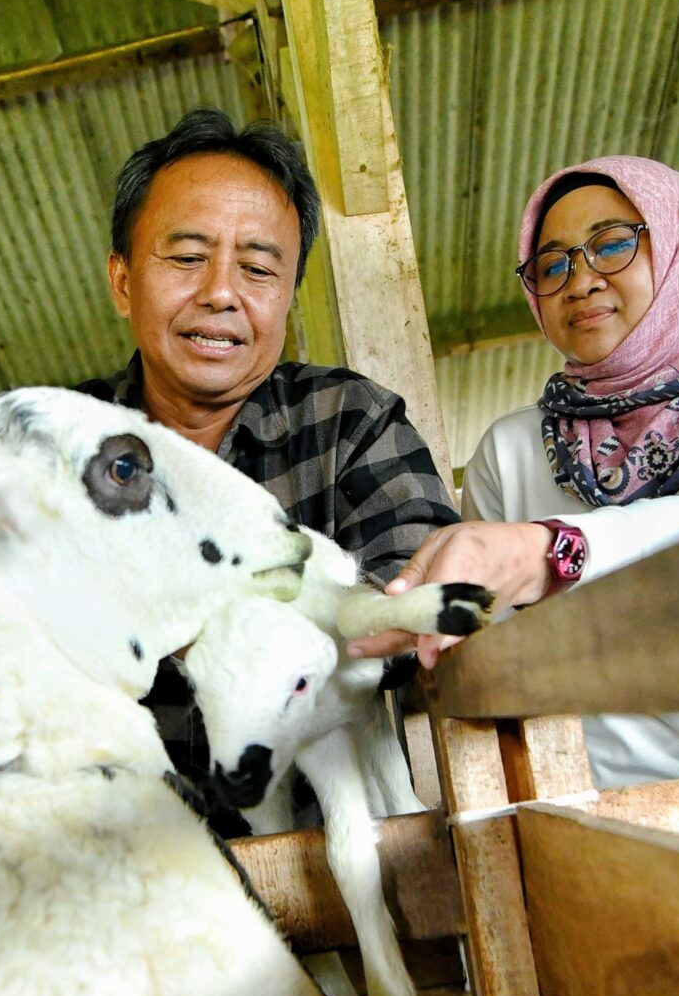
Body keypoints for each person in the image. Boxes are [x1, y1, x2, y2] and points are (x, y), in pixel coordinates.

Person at [360, 154, 679, 789]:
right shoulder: (513, 452)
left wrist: (547, 551)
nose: (581, 280)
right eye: (552, 264)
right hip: (584, 823)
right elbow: (490, 661)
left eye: (613, 243)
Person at [77, 107, 458, 819]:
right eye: (187, 258)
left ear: (287, 295)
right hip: (126, 873)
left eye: (256, 268)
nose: (220, 293)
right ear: (123, 280)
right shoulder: (60, 450)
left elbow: (419, 583)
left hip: (328, 854)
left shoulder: (348, 421)